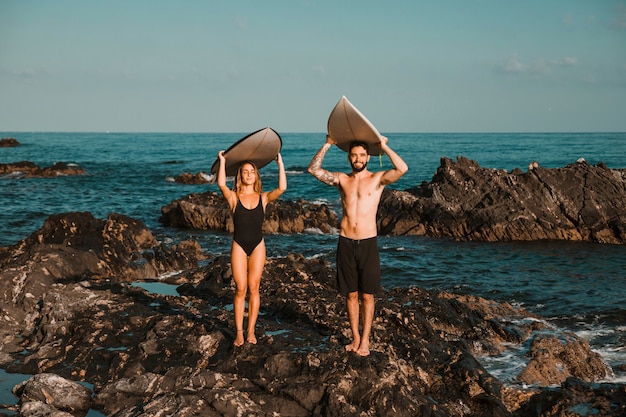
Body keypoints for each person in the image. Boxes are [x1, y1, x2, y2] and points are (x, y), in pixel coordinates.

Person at [308, 135, 408, 356]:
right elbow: (313, 170)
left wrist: (383, 146)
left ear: (368, 157)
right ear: (349, 157)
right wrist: (328, 144)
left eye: (362, 155)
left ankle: (365, 341)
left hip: (368, 243)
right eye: (354, 155)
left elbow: (402, 168)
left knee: (367, 295)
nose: (358, 158)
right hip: (345, 242)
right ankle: (354, 338)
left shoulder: (377, 179)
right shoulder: (342, 179)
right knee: (350, 295)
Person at [217, 152, 287, 347]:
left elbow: (282, 188)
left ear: (256, 175)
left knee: (254, 288)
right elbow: (221, 184)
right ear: (240, 176)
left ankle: (251, 331)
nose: (249, 174)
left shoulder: (263, 198)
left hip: (258, 246)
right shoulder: (234, 198)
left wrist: (280, 164)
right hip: (239, 245)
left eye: (252, 171)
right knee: (241, 289)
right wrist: (223, 162)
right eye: (245, 172)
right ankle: (239, 332)